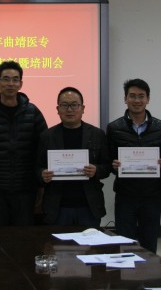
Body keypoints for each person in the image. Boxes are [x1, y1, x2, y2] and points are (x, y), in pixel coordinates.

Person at [0, 60, 48, 226]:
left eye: (15, 79)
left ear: (21, 84)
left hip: (25, 187)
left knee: (23, 236)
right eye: (6, 79)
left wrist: (40, 184)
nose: (10, 84)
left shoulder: (33, 113)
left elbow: (43, 151)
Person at [106, 79, 161, 253]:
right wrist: (113, 165)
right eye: (132, 96)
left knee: (149, 244)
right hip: (126, 195)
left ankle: (149, 272)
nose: (137, 100)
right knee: (124, 244)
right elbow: (108, 161)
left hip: (152, 195)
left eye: (141, 96)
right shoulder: (114, 128)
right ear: (125, 99)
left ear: (148, 99)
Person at [38, 87, 110, 227]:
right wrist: (42, 174)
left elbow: (107, 167)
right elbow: (37, 167)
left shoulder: (97, 134)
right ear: (58, 109)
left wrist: (96, 170)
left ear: (82, 108)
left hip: (88, 206)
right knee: (57, 242)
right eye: (64, 105)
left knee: (90, 241)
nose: (69, 110)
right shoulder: (47, 136)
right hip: (57, 207)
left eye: (74, 105)